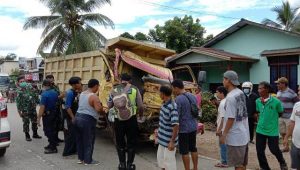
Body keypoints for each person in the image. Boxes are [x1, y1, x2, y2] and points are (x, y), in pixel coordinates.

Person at [107, 73, 144, 170]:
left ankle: (122, 164)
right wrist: (140, 116)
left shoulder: (113, 89)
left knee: (120, 142)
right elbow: (140, 106)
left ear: (121, 80)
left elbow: (109, 105)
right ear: (130, 80)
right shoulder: (134, 89)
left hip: (118, 120)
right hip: (131, 119)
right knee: (131, 142)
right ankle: (129, 165)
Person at [220, 70, 249, 170]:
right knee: (242, 164)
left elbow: (231, 118)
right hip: (243, 133)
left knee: (238, 165)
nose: (223, 81)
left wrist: (224, 134)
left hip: (235, 136)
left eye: (224, 78)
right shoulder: (240, 93)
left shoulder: (231, 97)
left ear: (229, 80)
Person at [256, 81, 288, 170]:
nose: (258, 90)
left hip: (272, 130)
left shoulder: (276, 102)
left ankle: (282, 162)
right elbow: (258, 112)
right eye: (258, 88)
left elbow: (280, 112)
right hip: (260, 130)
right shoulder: (257, 101)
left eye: (260, 88)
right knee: (259, 151)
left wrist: (271, 120)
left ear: (267, 89)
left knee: (274, 149)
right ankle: (264, 167)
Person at [75, 79, 103, 165]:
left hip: (78, 117)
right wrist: (102, 108)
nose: (98, 88)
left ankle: (81, 158)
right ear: (95, 86)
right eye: (98, 86)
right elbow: (98, 109)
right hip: (87, 119)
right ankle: (88, 160)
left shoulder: (82, 94)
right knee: (88, 140)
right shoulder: (93, 96)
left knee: (80, 140)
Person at [171, 79, 198, 170]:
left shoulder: (178, 99)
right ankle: (195, 168)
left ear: (177, 88)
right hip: (193, 127)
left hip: (184, 129)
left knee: (184, 151)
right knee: (193, 148)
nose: (173, 91)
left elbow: (176, 116)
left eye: (173, 89)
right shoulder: (192, 96)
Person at [157, 85, 179, 170]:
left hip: (169, 141)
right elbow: (163, 121)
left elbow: (176, 125)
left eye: (159, 92)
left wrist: (172, 142)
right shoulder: (163, 104)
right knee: (162, 162)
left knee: (169, 165)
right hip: (162, 140)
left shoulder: (172, 107)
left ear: (163, 94)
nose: (158, 94)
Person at [276, 77, 299, 152]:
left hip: (290, 117)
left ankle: (295, 148)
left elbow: (297, 104)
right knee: (282, 132)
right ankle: (286, 147)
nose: (277, 85)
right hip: (280, 116)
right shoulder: (278, 92)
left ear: (283, 84)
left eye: (278, 83)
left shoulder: (292, 93)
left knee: (291, 133)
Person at [16, 76, 42, 141]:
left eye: (23, 81)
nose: (23, 82)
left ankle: (35, 134)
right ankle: (27, 136)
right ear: (18, 83)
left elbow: (35, 95)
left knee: (34, 122)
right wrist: (19, 112)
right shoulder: (19, 91)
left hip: (33, 109)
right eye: (21, 82)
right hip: (25, 110)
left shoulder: (30, 88)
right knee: (26, 123)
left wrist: (39, 103)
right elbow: (18, 103)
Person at [37, 79, 59, 154]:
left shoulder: (44, 94)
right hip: (54, 113)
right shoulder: (55, 93)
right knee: (52, 130)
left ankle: (53, 148)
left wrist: (38, 118)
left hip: (47, 115)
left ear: (44, 85)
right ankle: (51, 144)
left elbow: (42, 107)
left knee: (48, 131)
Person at [62, 76, 82, 157]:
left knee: (74, 134)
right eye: (80, 83)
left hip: (74, 115)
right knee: (70, 134)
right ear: (75, 84)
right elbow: (68, 107)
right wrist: (73, 117)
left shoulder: (75, 92)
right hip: (70, 116)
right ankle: (67, 152)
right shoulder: (70, 93)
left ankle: (73, 150)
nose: (81, 84)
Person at [46, 75, 64, 143]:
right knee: (52, 125)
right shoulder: (47, 88)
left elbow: (58, 94)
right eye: (49, 79)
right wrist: (60, 96)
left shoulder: (56, 86)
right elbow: (51, 98)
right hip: (51, 109)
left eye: (52, 79)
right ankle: (52, 141)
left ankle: (56, 138)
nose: (51, 80)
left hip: (57, 108)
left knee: (57, 124)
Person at [283, 99, 300, 170]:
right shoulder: (297, 105)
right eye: (299, 90)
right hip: (295, 142)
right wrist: (286, 137)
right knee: (295, 167)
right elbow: (292, 122)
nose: (298, 92)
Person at [215, 86, 228, 168]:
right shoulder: (225, 101)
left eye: (217, 92)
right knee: (224, 144)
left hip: (222, 128)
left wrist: (219, 130)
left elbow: (223, 117)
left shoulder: (223, 103)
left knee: (222, 144)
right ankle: (225, 160)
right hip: (224, 127)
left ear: (222, 93)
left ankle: (224, 161)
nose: (216, 94)